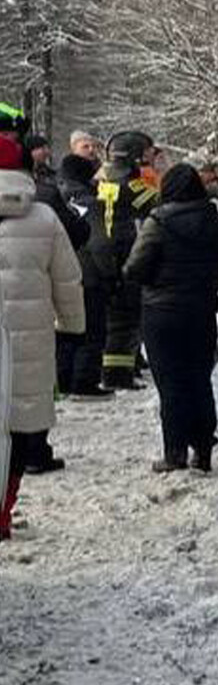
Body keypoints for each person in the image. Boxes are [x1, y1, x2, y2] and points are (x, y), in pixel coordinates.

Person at [0, 135, 85, 539]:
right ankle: (4, 508)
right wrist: (73, 327)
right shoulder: (45, 218)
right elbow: (68, 280)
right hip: (28, 345)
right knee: (18, 435)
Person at [123, 164, 218, 473]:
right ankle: (203, 450)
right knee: (200, 378)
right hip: (201, 311)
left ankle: (175, 452)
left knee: (171, 384)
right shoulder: (216, 221)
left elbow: (134, 268)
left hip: (162, 316)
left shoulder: (156, 223)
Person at [87, 131, 160, 390]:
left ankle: (119, 368)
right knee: (125, 316)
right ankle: (117, 375)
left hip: (98, 255)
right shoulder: (133, 186)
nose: (152, 159)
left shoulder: (100, 181)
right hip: (120, 253)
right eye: (148, 155)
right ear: (135, 157)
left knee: (111, 315)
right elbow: (160, 201)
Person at [55, 155, 113, 401]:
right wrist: (110, 274)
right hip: (88, 275)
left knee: (66, 328)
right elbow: (99, 244)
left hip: (60, 272)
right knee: (92, 329)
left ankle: (63, 379)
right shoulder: (90, 202)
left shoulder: (53, 197)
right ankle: (84, 381)